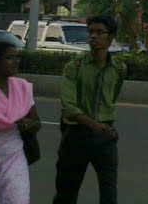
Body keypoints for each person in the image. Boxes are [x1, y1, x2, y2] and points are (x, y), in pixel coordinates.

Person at [54, 15, 127, 204]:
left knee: (109, 194)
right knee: (66, 192)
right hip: (76, 135)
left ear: (110, 38)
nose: (93, 36)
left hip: (105, 137)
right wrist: (95, 125)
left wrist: (103, 128)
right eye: (91, 32)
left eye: (99, 32)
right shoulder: (75, 67)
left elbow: (112, 98)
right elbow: (68, 107)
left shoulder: (118, 69)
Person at [0, 40, 40, 204]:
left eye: (16, 57)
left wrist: (30, 125)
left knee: (17, 199)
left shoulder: (22, 88)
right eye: (9, 58)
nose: (16, 61)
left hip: (13, 155)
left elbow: (36, 122)